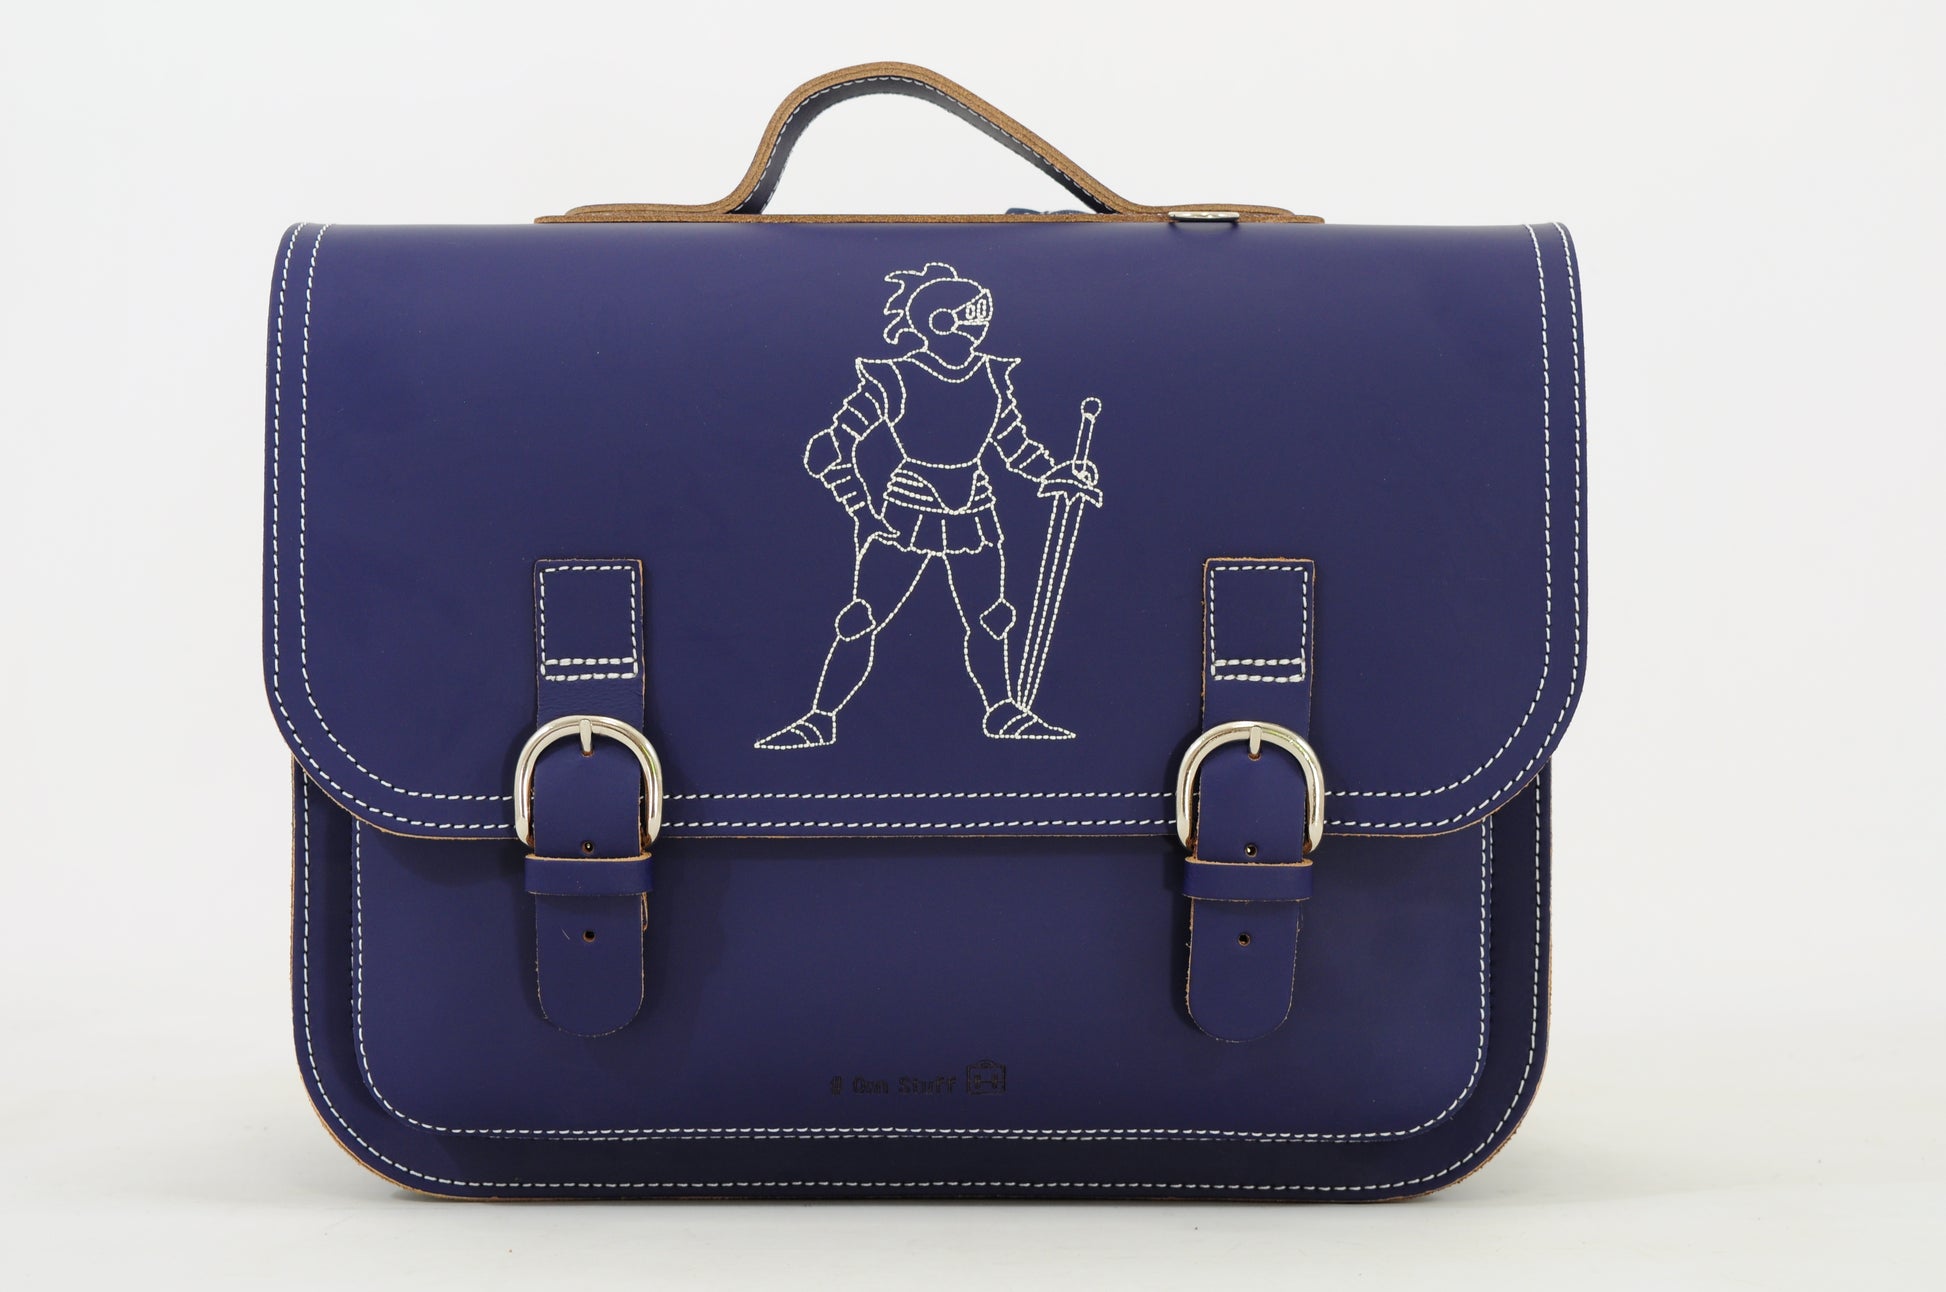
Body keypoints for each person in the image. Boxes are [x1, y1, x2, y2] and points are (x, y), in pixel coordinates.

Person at [757, 263, 1101, 749]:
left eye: (983, 314)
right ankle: (820, 718)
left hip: (975, 511)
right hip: (906, 511)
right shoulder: (894, 379)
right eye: (973, 315)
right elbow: (828, 450)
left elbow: (1013, 445)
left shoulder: (992, 377)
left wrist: (1055, 473)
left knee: (992, 618)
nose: (982, 324)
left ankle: (1004, 712)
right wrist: (862, 509)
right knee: (861, 618)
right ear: (940, 322)